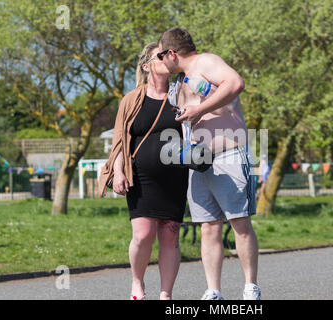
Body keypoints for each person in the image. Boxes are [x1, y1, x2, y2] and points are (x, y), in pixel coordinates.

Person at [158, 27, 261, 300]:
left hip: (228, 154)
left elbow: (235, 83)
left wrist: (199, 109)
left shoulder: (206, 62)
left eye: (160, 55)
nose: (160, 61)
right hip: (198, 163)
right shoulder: (178, 82)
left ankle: (250, 287)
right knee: (208, 227)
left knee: (240, 222)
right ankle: (213, 290)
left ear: (171, 53)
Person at [99, 42, 188, 300]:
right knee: (143, 234)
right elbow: (119, 141)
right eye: (158, 57)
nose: (165, 59)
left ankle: (165, 294)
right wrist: (119, 171)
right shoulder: (131, 100)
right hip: (141, 177)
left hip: (175, 177)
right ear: (147, 66)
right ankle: (137, 283)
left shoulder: (181, 96)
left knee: (170, 234)